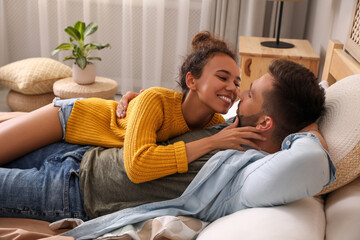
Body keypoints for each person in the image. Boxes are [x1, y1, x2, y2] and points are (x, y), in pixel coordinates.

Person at [0, 57, 334, 227]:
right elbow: (179, 113)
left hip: (71, 193)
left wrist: (309, 123)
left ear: (265, 122)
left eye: (249, 94)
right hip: (82, 153)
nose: (238, 95)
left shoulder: (248, 176)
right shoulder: (234, 126)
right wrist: (144, 103)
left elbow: (312, 163)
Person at [0, 31, 265, 184]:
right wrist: (212, 143)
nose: (232, 87)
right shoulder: (156, 100)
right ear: (191, 80)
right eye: (222, 77)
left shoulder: (215, 122)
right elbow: (138, 166)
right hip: (69, 118)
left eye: (237, 81)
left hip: (86, 145)